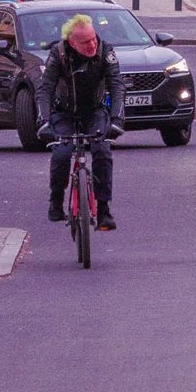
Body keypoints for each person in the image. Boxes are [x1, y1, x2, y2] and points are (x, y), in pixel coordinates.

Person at [37, 12, 125, 230]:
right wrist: (44, 120)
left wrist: (117, 120)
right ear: (72, 43)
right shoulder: (58, 54)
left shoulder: (106, 51)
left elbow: (117, 86)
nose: (92, 44)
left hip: (94, 111)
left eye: (93, 38)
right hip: (64, 112)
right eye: (85, 42)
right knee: (61, 153)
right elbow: (45, 88)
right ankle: (56, 200)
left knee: (102, 151)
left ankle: (104, 210)